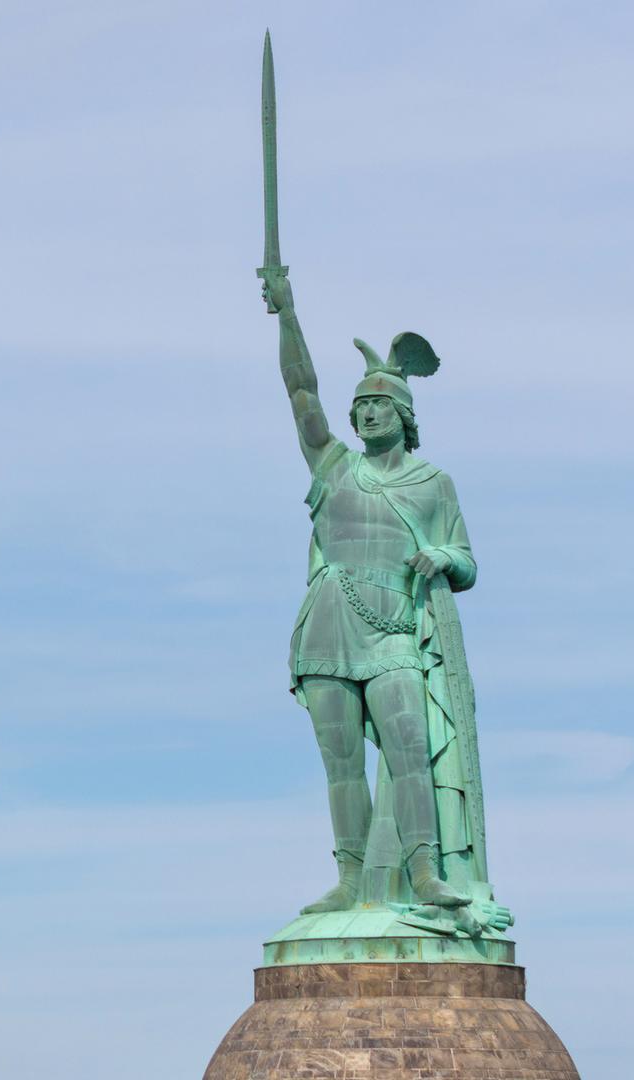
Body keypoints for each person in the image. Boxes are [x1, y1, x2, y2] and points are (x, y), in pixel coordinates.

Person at [262, 272, 510, 932]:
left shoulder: (435, 484)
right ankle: (349, 880)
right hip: (328, 624)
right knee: (341, 764)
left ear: (404, 414)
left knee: (410, 751)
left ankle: (425, 875)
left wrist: (442, 557)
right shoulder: (333, 468)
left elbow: (467, 562)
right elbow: (300, 393)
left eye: (379, 405)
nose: (366, 414)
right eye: (360, 406)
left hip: (395, 626)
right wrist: (288, 315)